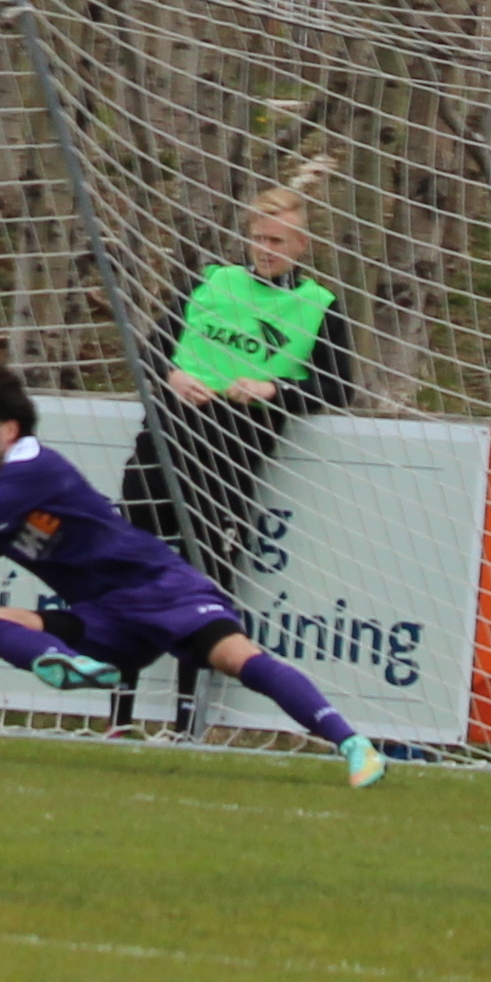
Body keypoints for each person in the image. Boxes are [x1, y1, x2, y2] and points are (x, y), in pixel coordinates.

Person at [0, 364, 386, 788]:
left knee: (236, 658)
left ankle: (353, 744)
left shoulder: (36, 467)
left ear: (10, 429)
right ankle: (79, 668)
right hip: (104, 622)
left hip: (160, 589)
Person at [114, 168, 356, 732]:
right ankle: (118, 716)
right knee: (129, 580)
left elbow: (339, 387)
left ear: (302, 245)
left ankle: (186, 723)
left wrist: (274, 389)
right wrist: (173, 376)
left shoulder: (319, 305)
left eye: (277, 241)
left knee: (204, 593)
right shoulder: (211, 282)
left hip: (230, 459)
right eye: (258, 238)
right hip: (165, 445)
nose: (265, 249)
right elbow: (150, 352)